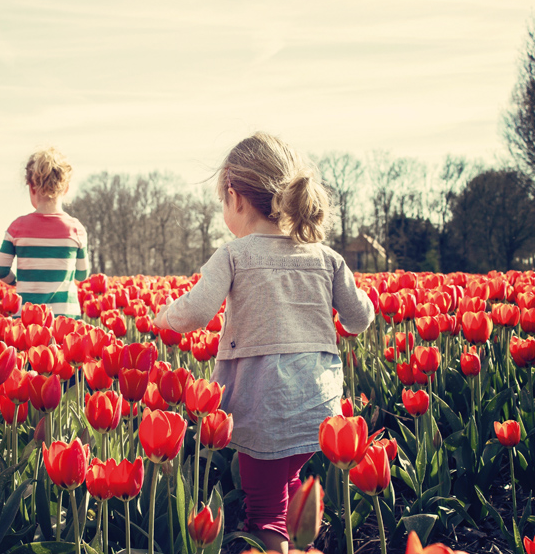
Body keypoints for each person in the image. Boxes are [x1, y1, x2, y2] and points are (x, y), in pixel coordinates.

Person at [153, 132, 374, 553]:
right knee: (290, 484)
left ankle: (277, 546)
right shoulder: (326, 257)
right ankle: (299, 542)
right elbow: (360, 318)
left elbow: (196, 312)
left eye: (223, 201)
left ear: (235, 196)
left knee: (267, 509)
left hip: (264, 402)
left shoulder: (235, 254)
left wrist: (164, 315)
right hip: (319, 404)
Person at [0, 146, 89, 318]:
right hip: (65, 317)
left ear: (31, 187)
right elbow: (82, 274)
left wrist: (17, 282)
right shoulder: (76, 229)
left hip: (27, 317)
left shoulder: (17, 227)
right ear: (66, 188)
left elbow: (0, 270)